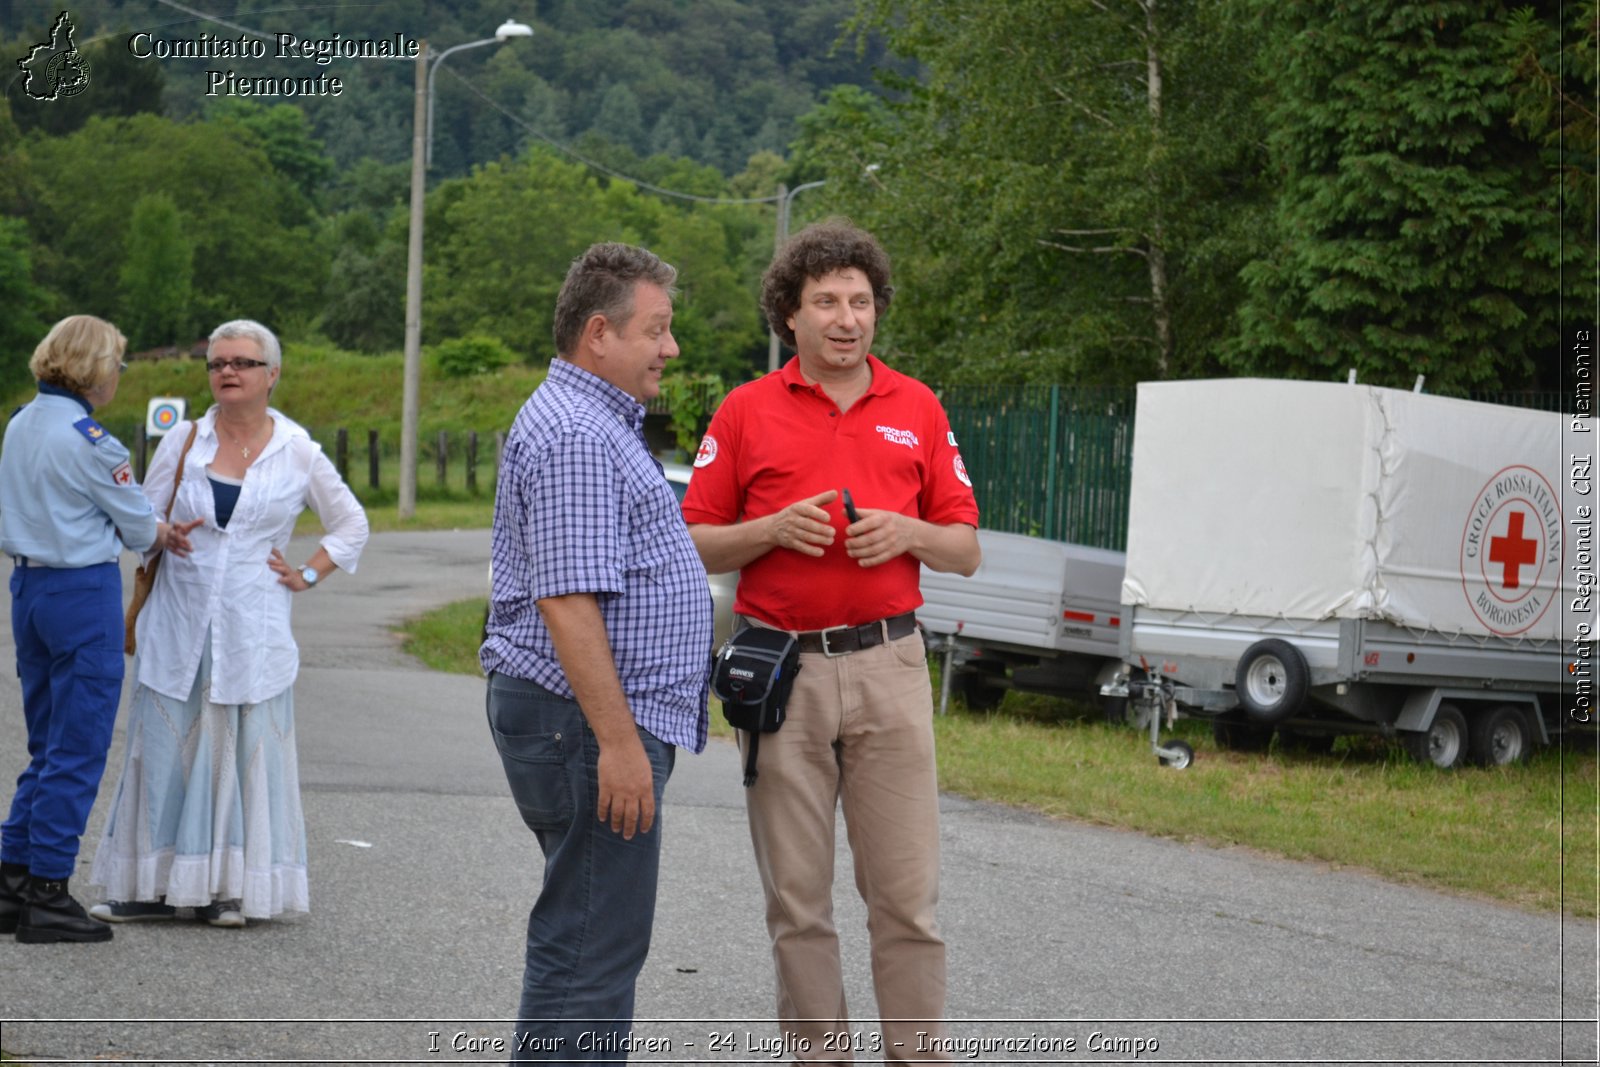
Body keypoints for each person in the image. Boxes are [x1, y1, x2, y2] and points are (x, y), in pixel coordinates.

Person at [680, 220, 981, 1063]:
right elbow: (690, 538)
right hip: (784, 674)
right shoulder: (746, 410)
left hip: (890, 666)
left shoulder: (916, 405)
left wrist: (909, 533)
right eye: (826, 302)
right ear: (789, 313)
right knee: (799, 902)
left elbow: (965, 545)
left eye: (860, 301)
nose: (847, 318)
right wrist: (770, 528)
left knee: (907, 900)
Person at [480, 243, 712, 1062]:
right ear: (600, 332)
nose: (670, 348)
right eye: (658, 329)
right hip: (585, 725)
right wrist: (618, 742)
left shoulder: (588, 419)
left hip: (578, 722)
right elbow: (568, 600)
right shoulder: (579, 432)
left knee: (592, 940)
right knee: (589, 952)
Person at [87, 318, 368, 928]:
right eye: (217, 364)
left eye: (241, 362)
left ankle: (228, 888)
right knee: (163, 748)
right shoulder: (183, 441)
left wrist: (309, 573)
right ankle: (145, 885)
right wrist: (162, 537)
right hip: (180, 620)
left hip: (253, 629)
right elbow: (142, 516)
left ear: (272, 374)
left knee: (241, 753)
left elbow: (351, 524)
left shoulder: (296, 449)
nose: (228, 373)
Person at [0, 314, 199, 944]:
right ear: (92, 369)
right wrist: (163, 532)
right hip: (79, 592)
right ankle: (51, 894)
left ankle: (12, 879)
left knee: (47, 745)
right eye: (116, 361)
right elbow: (138, 524)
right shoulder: (91, 440)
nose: (118, 373)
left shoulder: (22, 422)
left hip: (28, 589)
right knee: (78, 747)